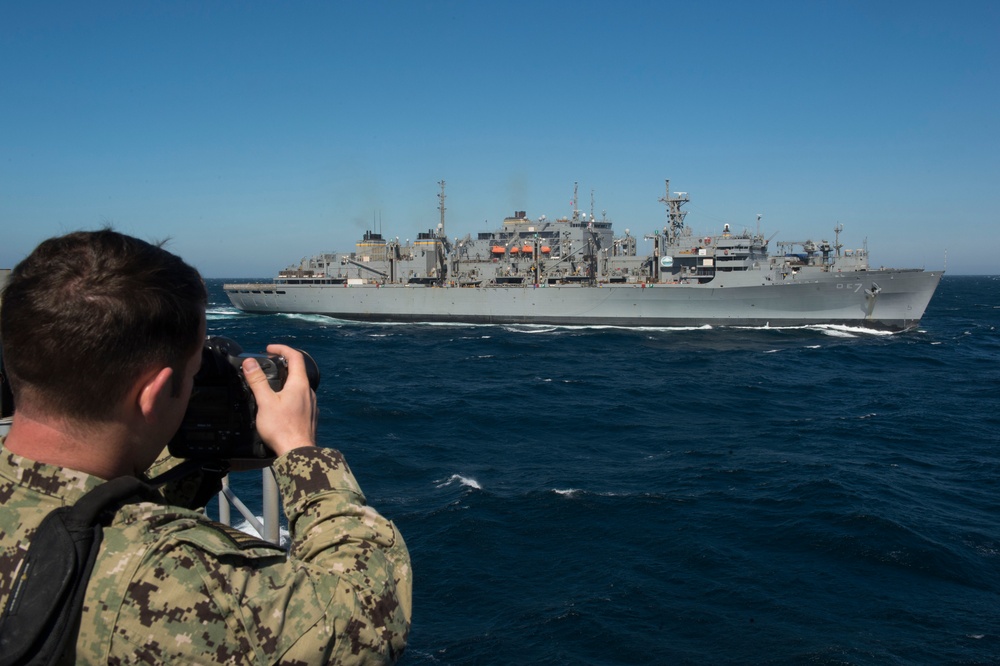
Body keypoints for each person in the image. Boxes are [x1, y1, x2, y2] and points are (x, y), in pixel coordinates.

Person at [0, 230, 411, 664]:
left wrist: (204, 458)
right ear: (155, 395)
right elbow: (366, 620)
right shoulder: (176, 577)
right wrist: (300, 451)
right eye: (197, 372)